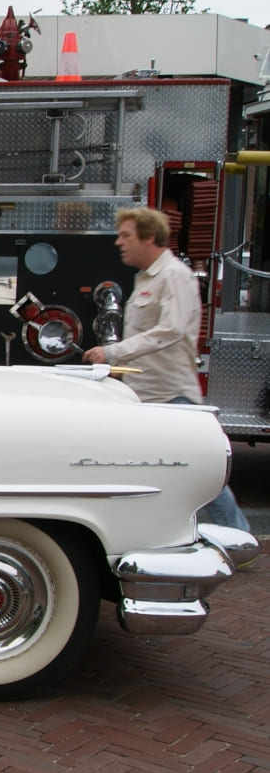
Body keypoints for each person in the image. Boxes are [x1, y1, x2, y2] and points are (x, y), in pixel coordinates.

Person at [83, 206, 250, 531]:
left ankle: (240, 536)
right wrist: (120, 368)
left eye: (126, 235)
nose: (119, 242)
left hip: (172, 395)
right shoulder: (147, 278)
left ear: (149, 238)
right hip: (146, 395)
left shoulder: (174, 275)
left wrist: (113, 352)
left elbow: (170, 330)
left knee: (200, 469)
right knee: (152, 466)